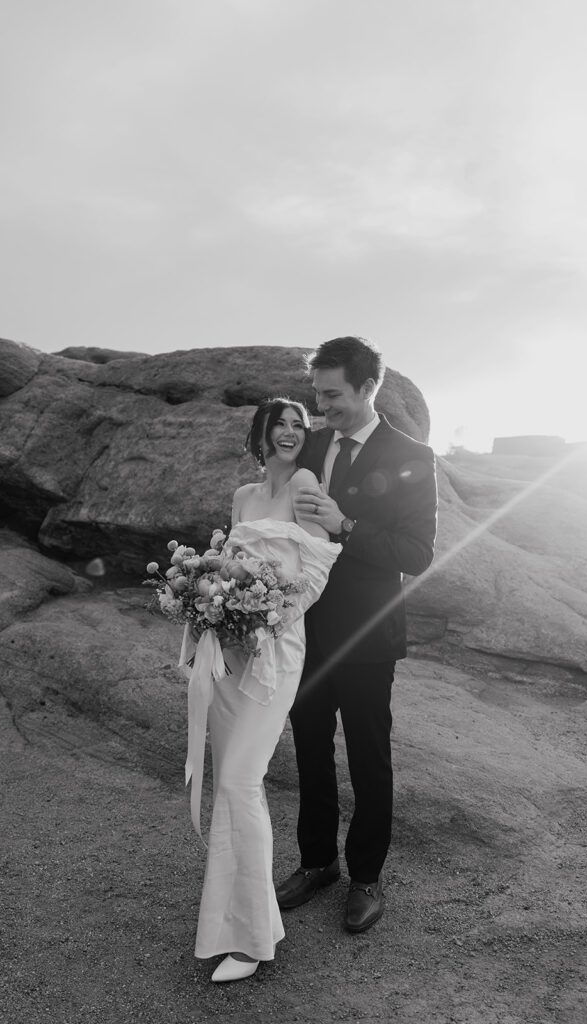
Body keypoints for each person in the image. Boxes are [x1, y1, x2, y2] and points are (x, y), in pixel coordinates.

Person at [275, 335, 438, 934]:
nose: (322, 407)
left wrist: (346, 525)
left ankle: (366, 877)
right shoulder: (311, 444)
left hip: (368, 635)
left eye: (333, 394)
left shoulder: (413, 455)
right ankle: (318, 863)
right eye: (317, 394)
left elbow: (417, 554)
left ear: (370, 388)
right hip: (305, 630)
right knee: (310, 753)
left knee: (369, 759)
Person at [186, 399, 341, 982]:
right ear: (261, 432)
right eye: (279, 423)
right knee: (229, 786)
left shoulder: (305, 484)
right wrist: (208, 599)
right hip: (230, 650)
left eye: (299, 425)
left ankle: (250, 941)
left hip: (275, 649)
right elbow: (228, 563)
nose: (289, 432)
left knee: (237, 782)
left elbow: (319, 571)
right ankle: (243, 919)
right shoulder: (244, 496)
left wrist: (270, 615)